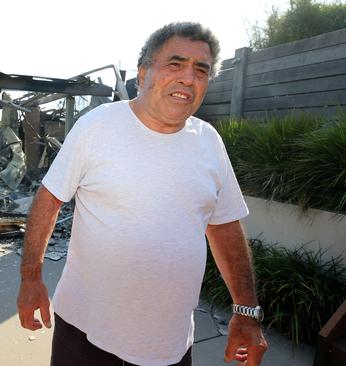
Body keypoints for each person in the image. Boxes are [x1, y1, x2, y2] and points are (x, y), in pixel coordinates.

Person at [17, 22, 268, 366]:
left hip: (169, 343)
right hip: (85, 331)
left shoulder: (209, 141)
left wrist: (245, 310)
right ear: (143, 71)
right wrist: (31, 279)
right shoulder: (97, 127)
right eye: (175, 64)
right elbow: (49, 200)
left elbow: (224, 227)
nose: (187, 78)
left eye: (200, 70)